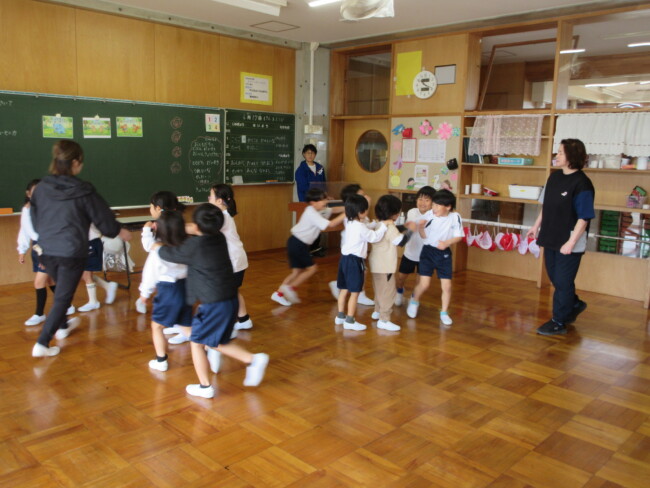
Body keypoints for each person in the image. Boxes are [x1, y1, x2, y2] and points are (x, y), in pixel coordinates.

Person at [30, 139, 131, 357]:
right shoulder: (83, 189)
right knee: (63, 297)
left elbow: (36, 221)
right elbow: (103, 220)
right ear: (75, 162)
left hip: (46, 250)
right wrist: (118, 230)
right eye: (81, 162)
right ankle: (43, 343)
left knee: (61, 290)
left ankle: (63, 326)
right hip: (71, 252)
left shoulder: (42, 188)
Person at [158, 204, 269, 399]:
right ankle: (242, 361)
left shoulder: (195, 245)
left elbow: (170, 254)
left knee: (197, 341)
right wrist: (183, 226)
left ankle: (210, 383)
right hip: (228, 298)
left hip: (214, 304)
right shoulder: (218, 237)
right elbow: (194, 230)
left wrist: (157, 246)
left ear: (197, 226)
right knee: (214, 340)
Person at [527, 138, 595, 336]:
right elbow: (546, 206)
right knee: (556, 279)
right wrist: (535, 226)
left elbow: (584, 217)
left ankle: (558, 321)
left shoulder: (582, 184)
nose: (556, 156)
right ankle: (573, 304)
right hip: (550, 236)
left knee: (563, 282)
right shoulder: (554, 178)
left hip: (570, 241)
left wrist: (571, 243)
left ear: (572, 156)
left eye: (560, 153)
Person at [272, 188, 345, 306]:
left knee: (296, 272)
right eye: (322, 200)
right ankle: (291, 288)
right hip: (298, 243)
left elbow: (334, 209)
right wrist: (347, 213)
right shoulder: (310, 212)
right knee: (312, 269)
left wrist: (348, 207)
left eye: (325, 199)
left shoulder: (320, 210)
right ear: (313, 203)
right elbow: (331, 224)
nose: (325, 202)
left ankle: (278, 294)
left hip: (296, 243)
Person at [139, 210, 192, 372]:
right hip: (186, 288)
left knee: (157, 326)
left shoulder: (158, 250)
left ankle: (161, 360)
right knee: (186, 326)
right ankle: (211, 348)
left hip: (168, 291)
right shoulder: (187, 245)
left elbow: (149, 274)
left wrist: (144, 293)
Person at [17, 179, 75, 326]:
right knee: (50, 280)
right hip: (37, 247)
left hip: (48, 248)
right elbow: (24, 230)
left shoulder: (49, 207)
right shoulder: (26, 209)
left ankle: (39, 314)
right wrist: (22, 250)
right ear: (28, 194)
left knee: (39, 282)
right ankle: (67, 305)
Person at [137, 191, 188, 345]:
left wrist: (146, 231)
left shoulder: (161, 232)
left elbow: (150, 249)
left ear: (158, 208)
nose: (150, 209)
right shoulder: (178, 223)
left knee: (158, 324)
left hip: (169, 285)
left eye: (150, 206)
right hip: (184, 282)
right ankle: (181, 328)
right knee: (181, 311)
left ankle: (164, 353)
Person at [407, 189, 464, 325]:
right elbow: (424, 237)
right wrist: (421, 228)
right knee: (424, 284)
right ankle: (414, 300)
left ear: (448, 206)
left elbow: (459, 236)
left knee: (447, 286)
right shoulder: (429, 215)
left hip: (444, 254)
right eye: (433, 205)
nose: (434, 208)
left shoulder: (455, 217)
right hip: (428, 252)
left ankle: (444, 312)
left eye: (438, 205)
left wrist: (446, 243)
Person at [335, 194, 387, 331]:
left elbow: (365, 227)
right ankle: (350, 320)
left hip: (344, 260)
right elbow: (374, 237)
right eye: (365, 209)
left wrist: (374, 224)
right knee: (355, 292)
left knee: (344, 289)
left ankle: (340, 316)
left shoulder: (349, 222)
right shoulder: (361, 227)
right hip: (354, 261)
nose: (367, 211)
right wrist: (383, 226)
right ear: (360, 212)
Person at [209, 184, 253, 333]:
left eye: (210, 196)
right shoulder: (223, 215)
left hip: (233, 261)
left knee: (225, 294)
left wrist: (175, 226)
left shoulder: (222, 217)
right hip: (236, 260)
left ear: (219, 201)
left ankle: (226, 327)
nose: (208, 198)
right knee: (232, 291)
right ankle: (244, 319)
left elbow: (199, 229)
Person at [328, 183, 376, 306]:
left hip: (357, 245)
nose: (365, 197)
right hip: (351, 246)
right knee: (361, 271)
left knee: (359, 271)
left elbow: (364, 223)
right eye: (361, 195)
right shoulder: (350, 212)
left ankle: (341, 286)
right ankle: (359, 294)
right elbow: (334, 221)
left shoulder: (358, 210)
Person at [368, 195, 407, 331]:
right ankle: (384, 319)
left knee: (379, 289)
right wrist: (412, 230)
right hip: (386, 266)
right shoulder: (390, 227)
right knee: (388, 292)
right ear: (394, 213)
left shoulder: (378, 224)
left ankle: (377, 311)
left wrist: (403, 227)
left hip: (375, 264)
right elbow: (400, 241)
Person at [395, 186, 436, 306]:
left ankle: (414, 299)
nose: (422, 203)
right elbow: (410, 226)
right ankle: (399, 291)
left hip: (425, 255)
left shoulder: (435, 215)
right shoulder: (412, 212)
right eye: (420, 199)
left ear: (433, 202)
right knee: (401, 277)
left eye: (427, 200)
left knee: (420, 281)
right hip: (410, 253)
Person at [76, 224, 119, 312]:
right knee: (82, 273)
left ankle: (93, 301)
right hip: (83, 242)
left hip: (90, 241)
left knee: (86, 273)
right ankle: (108, 286)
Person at [295, 144, 327, 256]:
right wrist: (317, 192)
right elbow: (303, 187)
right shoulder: (300, 170)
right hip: (307, 201)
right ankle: (305, 250)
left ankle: (315, 248)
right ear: (304, 154)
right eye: (308, 153)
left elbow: (324, 184)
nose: (310, 155)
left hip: (319, 202)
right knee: (308, 226)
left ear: (315, 154)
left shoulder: (320, 168)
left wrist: (324, 196)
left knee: (317, 225)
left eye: (312, 153)